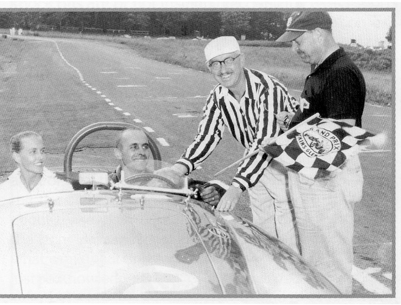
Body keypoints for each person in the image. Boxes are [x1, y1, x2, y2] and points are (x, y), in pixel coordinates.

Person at [155, 36, 300, 253]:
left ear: (241, 59)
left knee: (290, 241)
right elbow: (207, 136)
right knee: (264, 235)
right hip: (257, 165)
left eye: (228, 60)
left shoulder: (268, 88)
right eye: (215, 64)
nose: (223, 69)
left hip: (290, 165)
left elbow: (265, 140)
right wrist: (179, 168)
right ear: (209, 68)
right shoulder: (217, 96)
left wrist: (236, 186)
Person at [275, 11, 366, 294]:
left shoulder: (340, 73)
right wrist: (293, 122)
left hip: (326, 179)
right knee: (315, 261)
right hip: (314, 177)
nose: (295, 48)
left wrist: (291, 137)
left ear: (318, 32)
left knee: (331, 266)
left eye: (298, 40)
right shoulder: (322, 68)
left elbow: (336, 138)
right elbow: (321, 120)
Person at [110, 128, 225, 206]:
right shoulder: (106, 183)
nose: (141, 152)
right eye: (134, 147)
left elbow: (209, 188)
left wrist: (209, 194)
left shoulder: (164, 179)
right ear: (118, 153)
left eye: (145, 147)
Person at [0, 131, 73, 204]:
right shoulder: (2, 193)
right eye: (33, 152)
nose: (40, 157)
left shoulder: (62, 189)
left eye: (42, 151)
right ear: (17, 157)